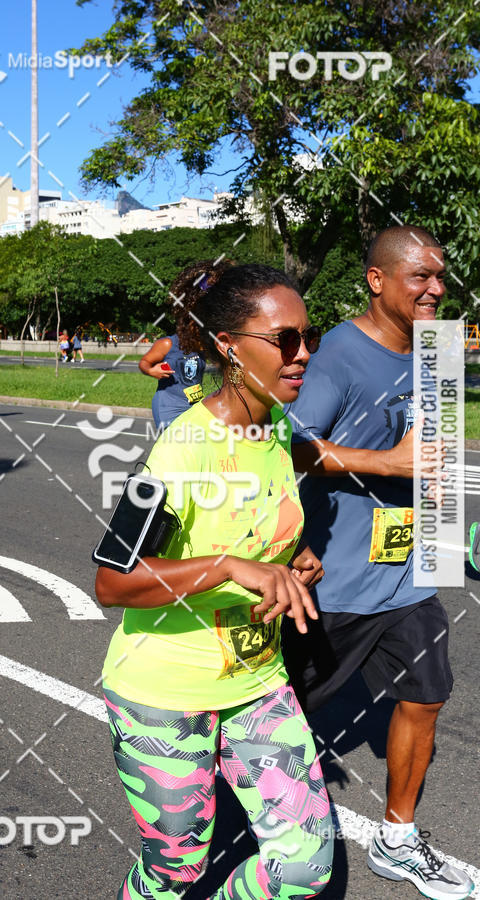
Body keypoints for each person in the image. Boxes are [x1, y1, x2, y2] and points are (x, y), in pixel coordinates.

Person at [95, 262, 332, 900]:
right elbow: (113, 582)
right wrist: (228, 568)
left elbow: (263, 526)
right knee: (175, 871)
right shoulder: (180, 448)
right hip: (164, 692)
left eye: (310, 336)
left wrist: (297, 559)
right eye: (285, 340)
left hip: (259, 683)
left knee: (304, 866)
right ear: (230, 346)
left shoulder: (277, 428)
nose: (303, 354)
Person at [282, 225, 473, 900]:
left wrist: (448, 515)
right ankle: (242, 821)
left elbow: (437, 454)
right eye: (420, 276)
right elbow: (293, 446)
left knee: (427, 694)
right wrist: (384, 463)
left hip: (407, 572)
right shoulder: (336, 353)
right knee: (285, 713)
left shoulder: (436, 352)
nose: (436, 289)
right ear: (377, 280)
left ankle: (397, 838)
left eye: (440, 276)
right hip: (335, 578)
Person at [139, 266, 212, 429]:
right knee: (172, 447)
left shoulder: (201, 345)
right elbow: (144, 362)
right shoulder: (167, 344)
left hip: (195, 406)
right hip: (168, 406)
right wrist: (151, 371)